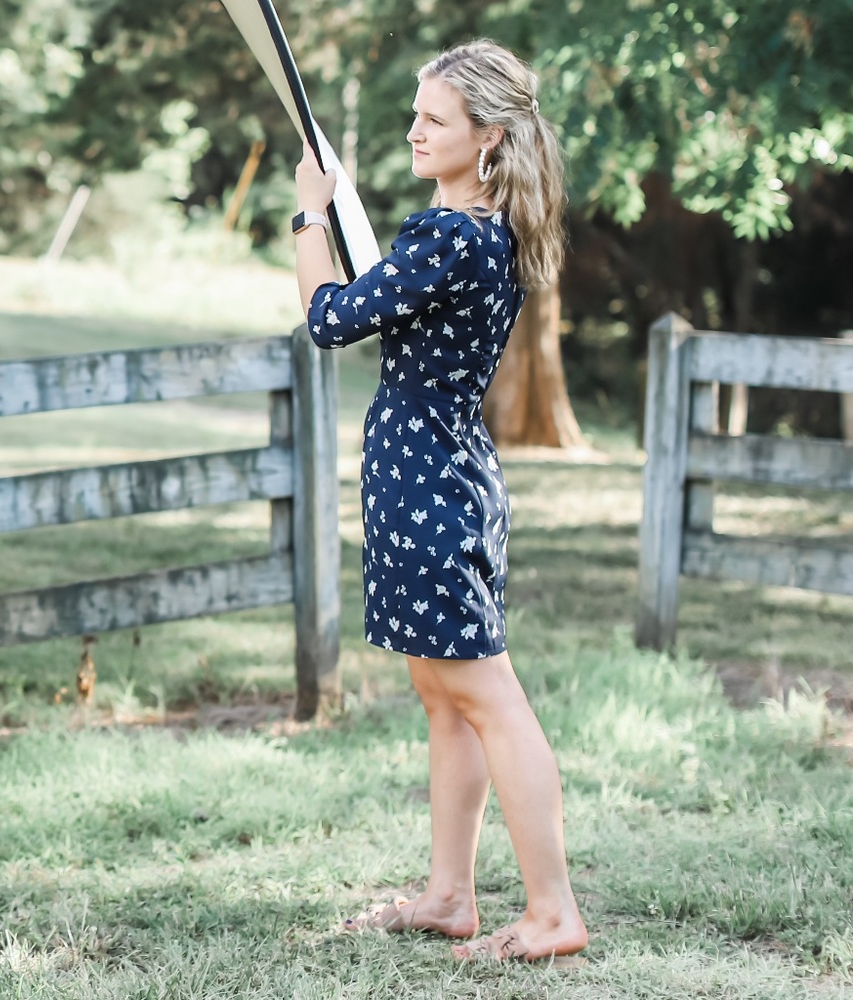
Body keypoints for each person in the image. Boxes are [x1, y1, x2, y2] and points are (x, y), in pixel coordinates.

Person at [293, 39, 588, 964]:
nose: (414, 131)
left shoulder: (451, 238)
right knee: (443, 692)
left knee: (486, 695)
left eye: (434, 119)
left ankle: (553, 914)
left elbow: (331, 319)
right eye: (415, 115)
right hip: (440, 475)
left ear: (488, 135)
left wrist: (308, 217)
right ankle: (449, 895)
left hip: (429, 486)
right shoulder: (475, 230)